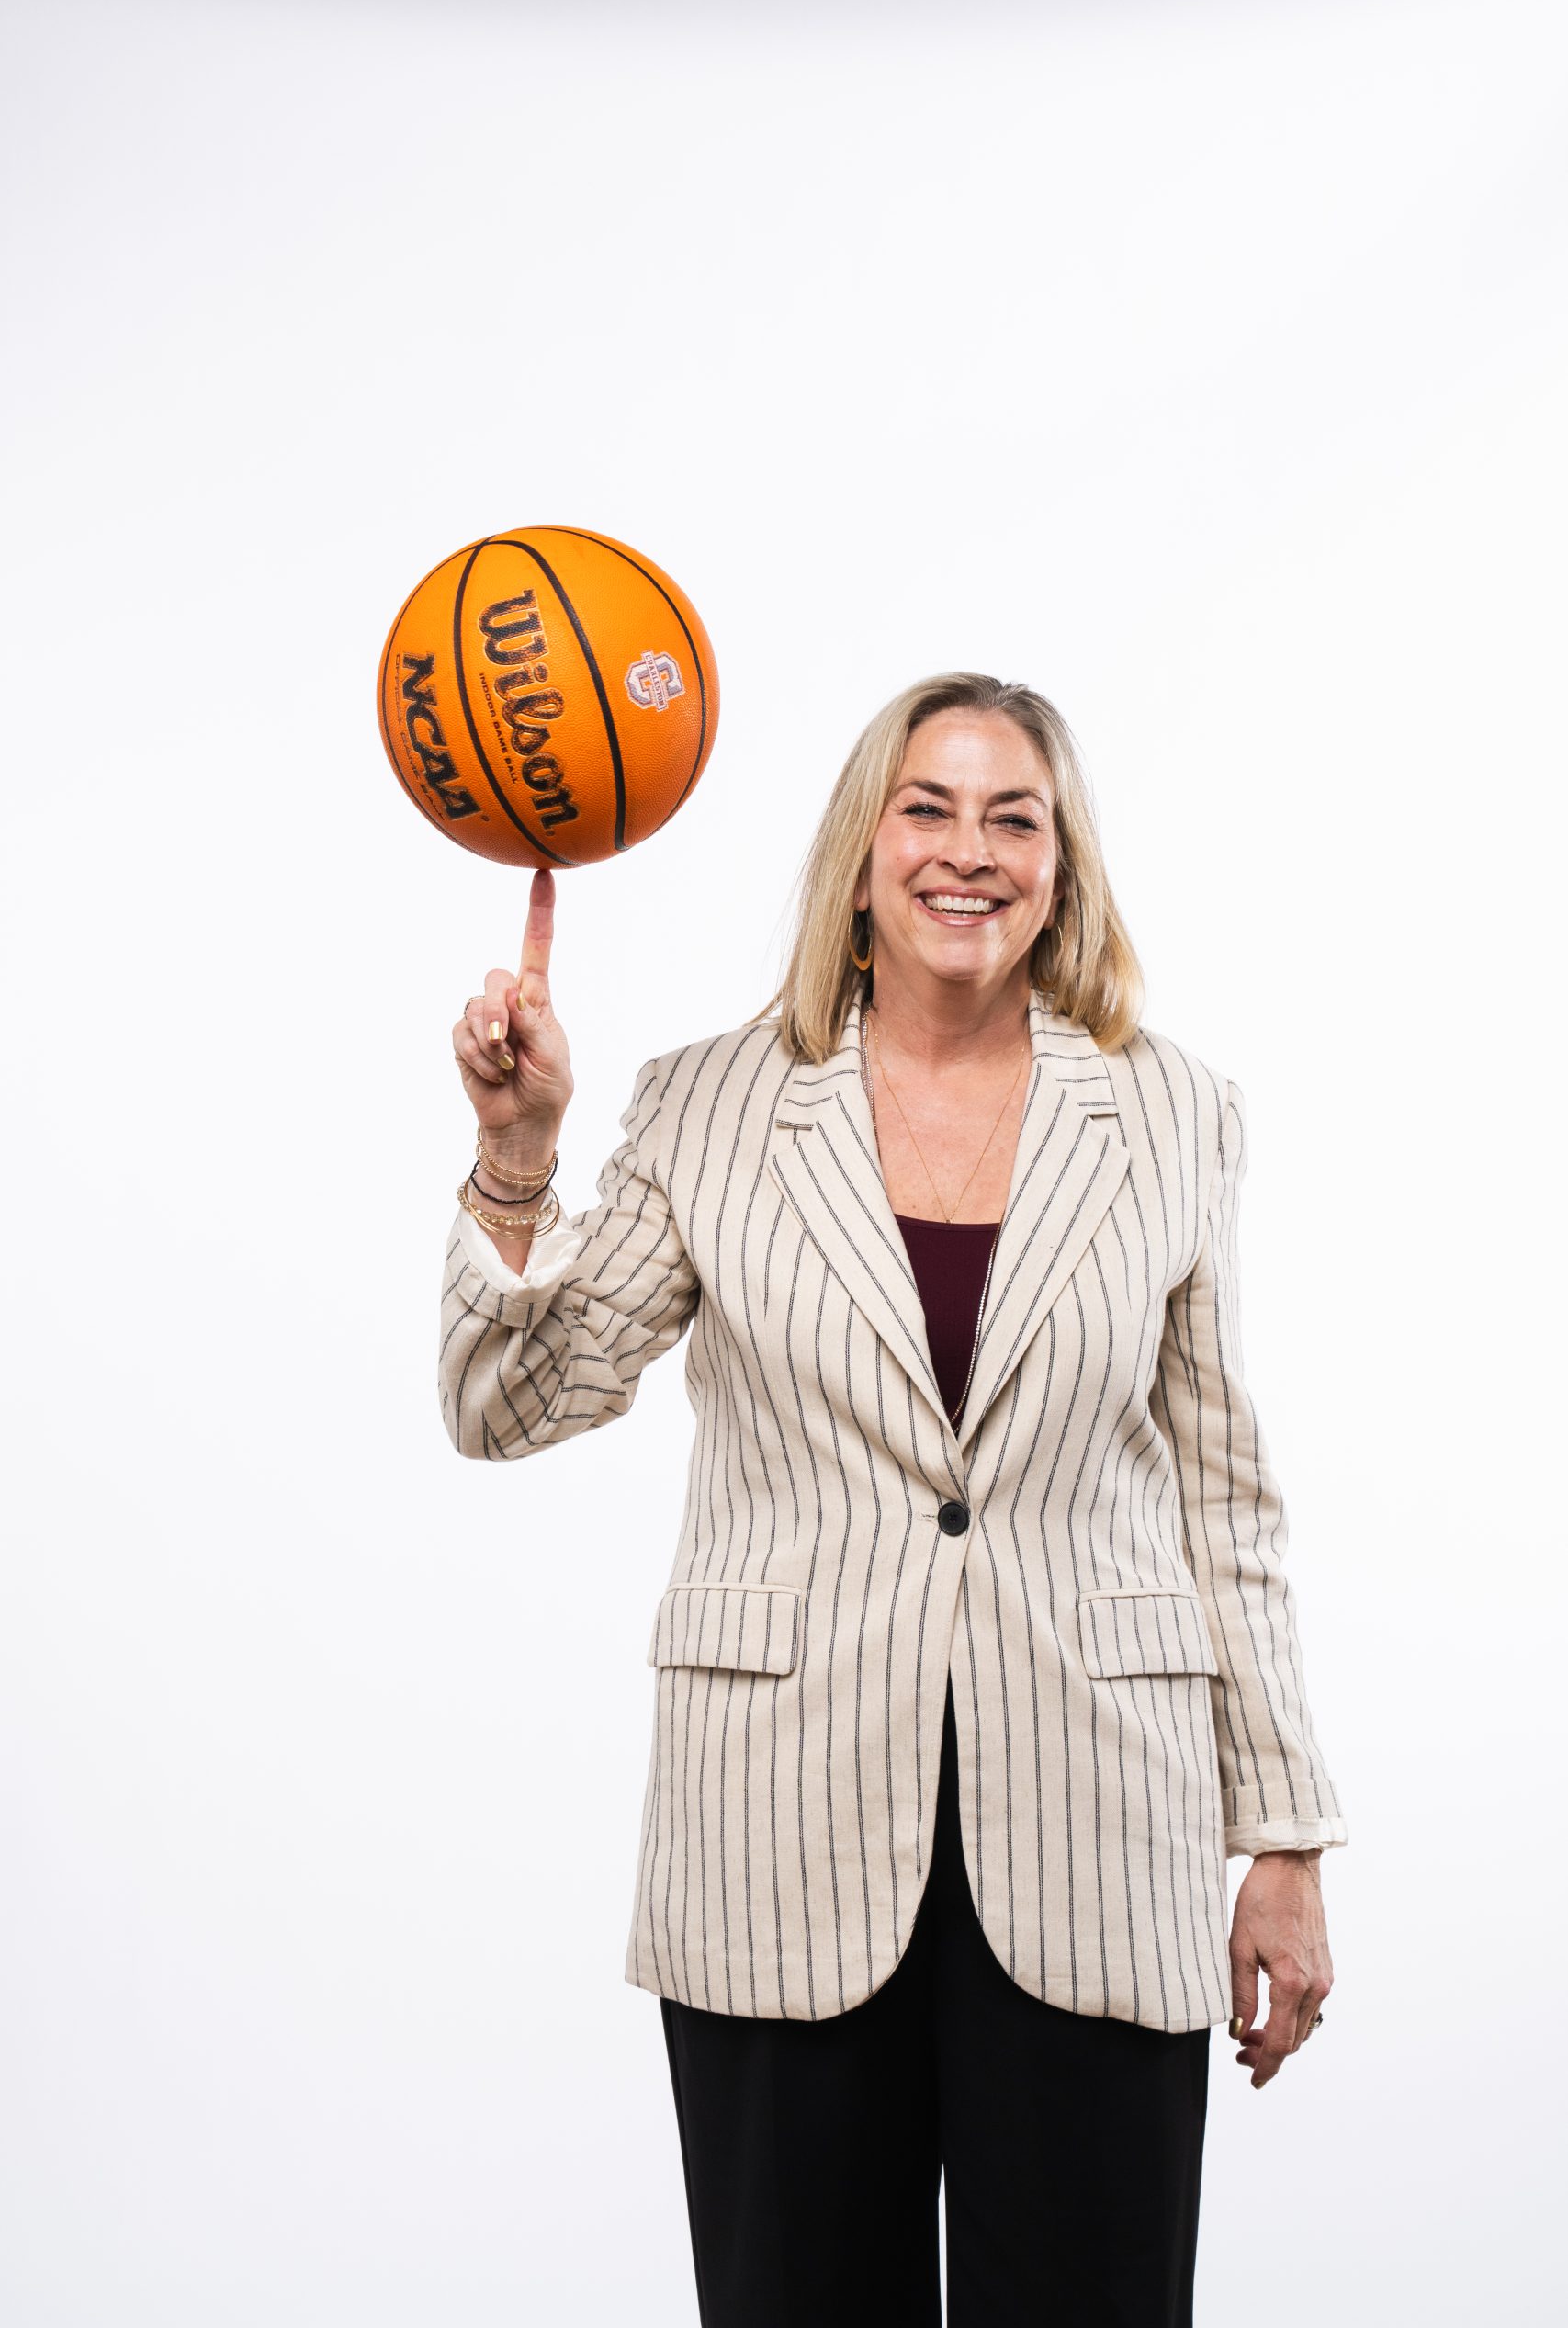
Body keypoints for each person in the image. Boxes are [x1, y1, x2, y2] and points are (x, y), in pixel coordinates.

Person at [439, 672, 1346, 2327]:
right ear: (862, 855)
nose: (968, 853)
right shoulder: (709, 1104)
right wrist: (520, 1156)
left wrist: (1279, 1836)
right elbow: (511, 1406)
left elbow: (1227, 1494)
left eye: (1015, 818)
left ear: (1062, 865)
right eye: (927, 809)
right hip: (773, 1839)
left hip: (1096, 1833)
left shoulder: (1168, 1112)